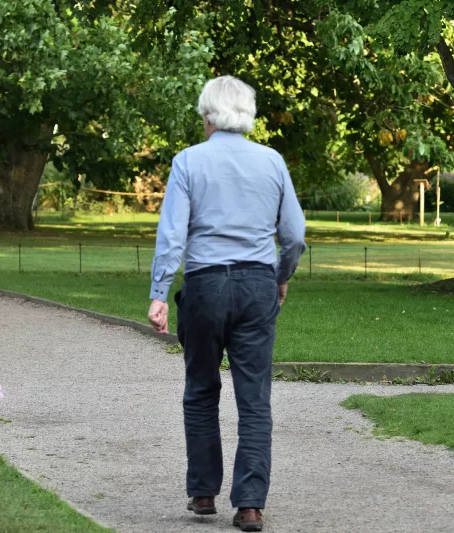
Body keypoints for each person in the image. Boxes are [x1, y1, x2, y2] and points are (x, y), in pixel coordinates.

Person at [147, 75, 306, 532]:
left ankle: (202, 493)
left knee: (200, 390)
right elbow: (293, 235)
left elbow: (172, 235)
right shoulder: (272, 162)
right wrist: (281, 276)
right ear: (247, 115)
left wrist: (160, 293)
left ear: (208, 116)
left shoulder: (188, 162)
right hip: (257, 284)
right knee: (254, 399)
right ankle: (250, 504)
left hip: (205, 285)